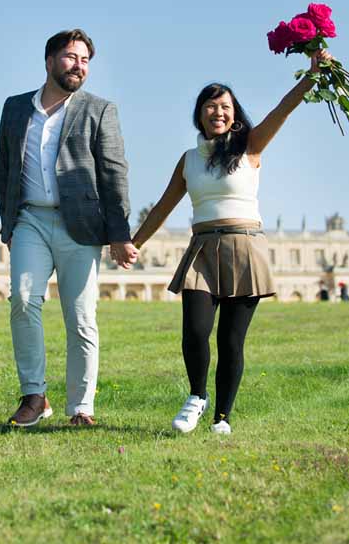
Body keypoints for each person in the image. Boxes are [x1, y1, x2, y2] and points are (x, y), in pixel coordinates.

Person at [132, 48, 332, 435]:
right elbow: (162, 207)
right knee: (194, 330)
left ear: (234, 113)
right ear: (199, 114)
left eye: (224, 106)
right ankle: (196, 397)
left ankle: (222, 417)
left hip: (244, 248)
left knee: (231, 341)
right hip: (203, 249)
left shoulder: (251, 147)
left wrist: (311, 76)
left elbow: (282, 110)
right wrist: (134, 242)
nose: (218, 112)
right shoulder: (189, 159)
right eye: (210, 106)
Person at [0, 28, 136, 428]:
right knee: (23, 300)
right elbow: (4, 165)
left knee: (80, 317)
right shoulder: (16, 108)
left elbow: (114, 173)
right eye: (72, 57)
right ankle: (34, 395)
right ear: (50, 60)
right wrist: (9, 224)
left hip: (81, 224)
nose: (79, 66)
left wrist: (119, 233)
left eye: (86, 60)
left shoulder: (99, 109)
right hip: (30, 220)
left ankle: (81, 408)